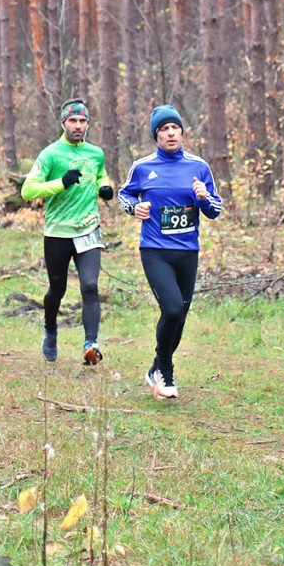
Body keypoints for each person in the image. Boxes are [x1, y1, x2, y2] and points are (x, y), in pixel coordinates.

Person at [118, 105, 223, 400]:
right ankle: (165, 368)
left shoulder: (198, 166)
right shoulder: (142, 167)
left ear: (182, 132)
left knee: (180, 317)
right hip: (155, 251)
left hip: (188, 252)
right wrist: (133, 208)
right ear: (156, 136)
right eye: (163, 129)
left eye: (174, 127)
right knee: (173, 308)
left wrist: (203, 198)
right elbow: (124, 194)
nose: (170, 133)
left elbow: (215, 210)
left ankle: (155, 368)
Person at [21, 98, 112, 365]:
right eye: (73, 120)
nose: (78, 125)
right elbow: (28, 190)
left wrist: (104, 187)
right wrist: (61, 182)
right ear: (63, 123)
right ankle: (50, 329)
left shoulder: (96, 153)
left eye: (82, 121)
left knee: (90, 286)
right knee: (56, 290)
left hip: (88, 229)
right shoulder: (51, 154)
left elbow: (99, 175)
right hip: (58, 232)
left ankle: (90, 344)